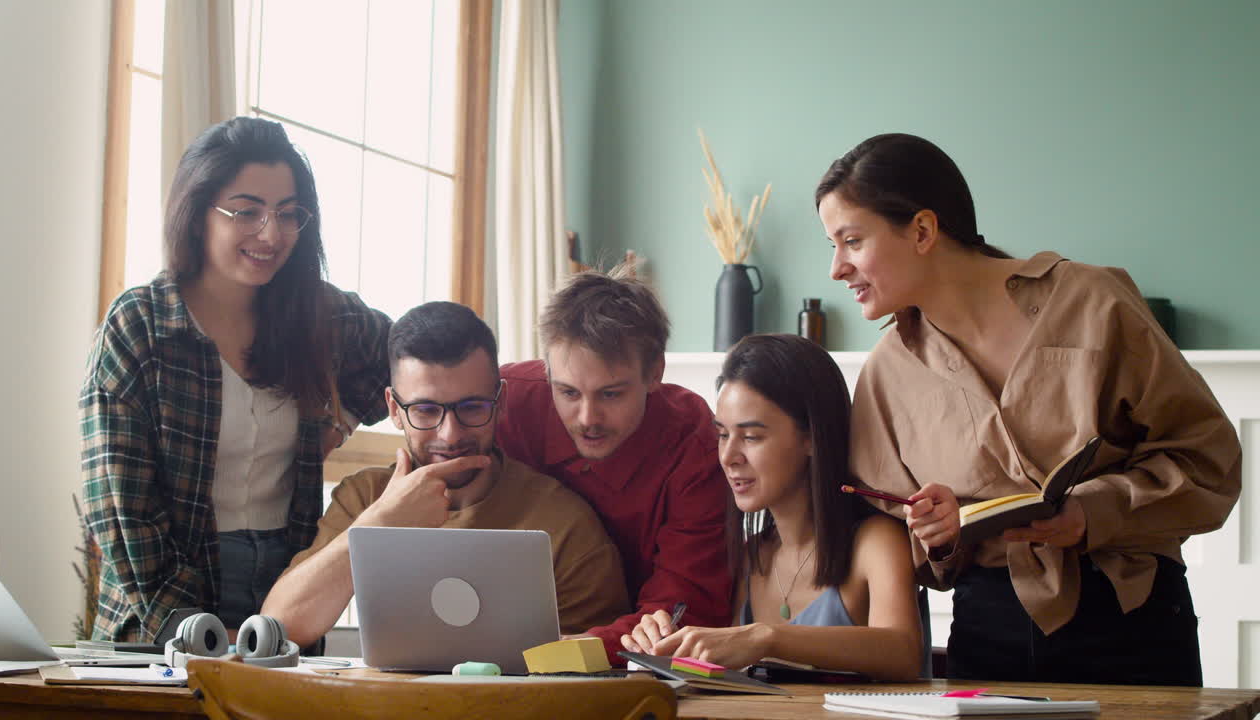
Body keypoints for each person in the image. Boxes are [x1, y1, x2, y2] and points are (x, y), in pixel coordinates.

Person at [816, 133, 1241, 685]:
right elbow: (893, 535)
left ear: (922, 230)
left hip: (1132, 616)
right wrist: (939, 532)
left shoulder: (1093, 302)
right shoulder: (887, 374)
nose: (836, 268)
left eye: (851, 241)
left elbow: (1207, 458)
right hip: (987, 634)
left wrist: (1092, 511)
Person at [81, 117, 392, 642]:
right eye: (246, 211)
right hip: (160, 602)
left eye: (287, 213)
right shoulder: (141, 325)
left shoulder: (318, 314)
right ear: (197, 212)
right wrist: (192, 631)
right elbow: (122, 515)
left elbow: (405, 356)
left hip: (285, 587)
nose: (271, 234)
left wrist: (341, 420)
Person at [261, 302, 630, 648]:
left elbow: (601, 670)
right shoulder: (365, 498)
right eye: (425, 410)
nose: (450, 435)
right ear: (394, 409)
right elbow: (281, 628)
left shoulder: (564, 523)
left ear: (500, 402)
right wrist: (382, 522)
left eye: (472, 407)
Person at [620, 334, 923, 681]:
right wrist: (662, 641)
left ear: (812, 436)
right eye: (722, 435)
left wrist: (767, 637)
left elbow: (903, 652)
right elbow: (722, 672)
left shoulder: (875, 542)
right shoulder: (750, 557)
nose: (729, 457)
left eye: (751, 437)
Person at [497, 269, 734, 662]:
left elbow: (683, 609)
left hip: (628, 660)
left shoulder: (694, 442)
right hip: (506, 636)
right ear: (547, 370)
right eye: (568, 392)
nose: (588, 418)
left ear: (654, 372)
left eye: (610, 394)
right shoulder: (504, 402)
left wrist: (559, 653)